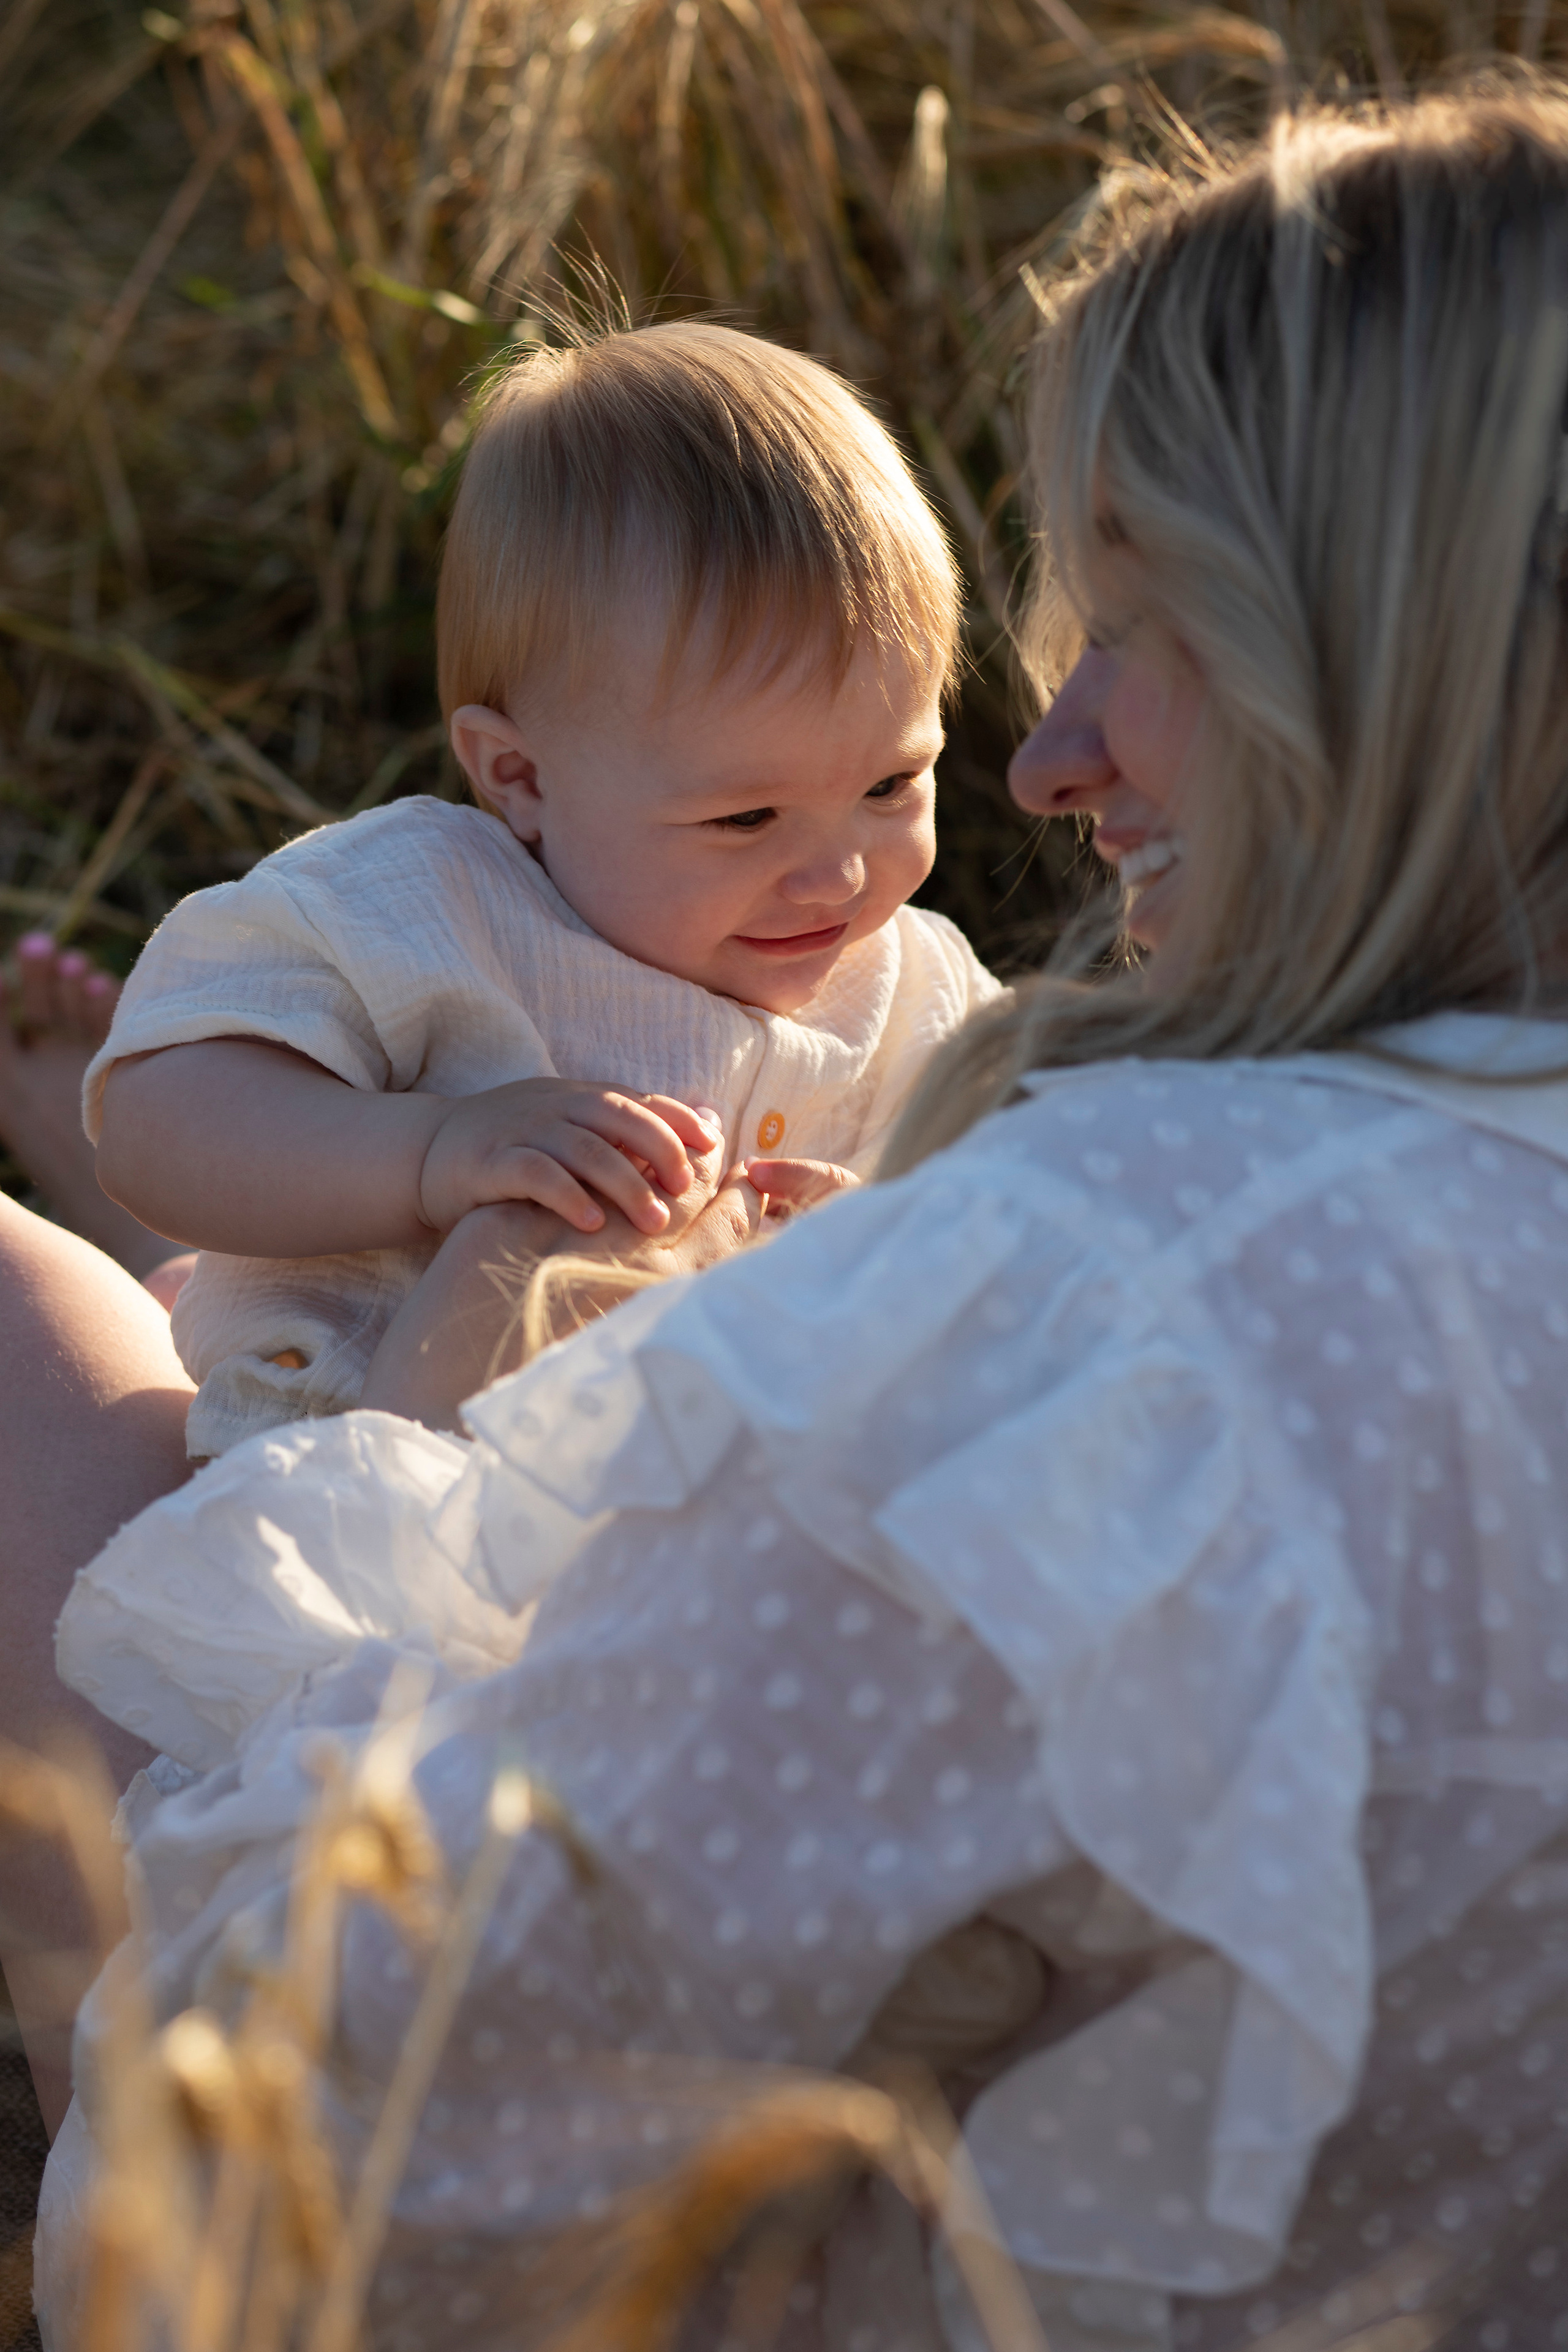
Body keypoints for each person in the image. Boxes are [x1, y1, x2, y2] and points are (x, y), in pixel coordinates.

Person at [13, 75, 1568, 2349]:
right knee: (187, 1291)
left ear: (1397, 654)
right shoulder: (443, 917)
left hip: (438, 1818)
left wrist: (846, 1299)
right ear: (511, 772)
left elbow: (387, 2147)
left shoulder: (1101, 1288)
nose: (1052, 762)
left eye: (1152, 623)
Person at [85, 320, 998, 1463]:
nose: (841, 873)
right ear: (519, 778)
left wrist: (883, 1228)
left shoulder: (923, 992)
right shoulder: (420, 909)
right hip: (316, 1491)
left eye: (891, 782)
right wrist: (429, 1155)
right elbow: (160, 1123)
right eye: (744, 818)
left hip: (692, 1535)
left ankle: (144, 1281)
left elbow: (1030, 1226)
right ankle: (115, 1258)